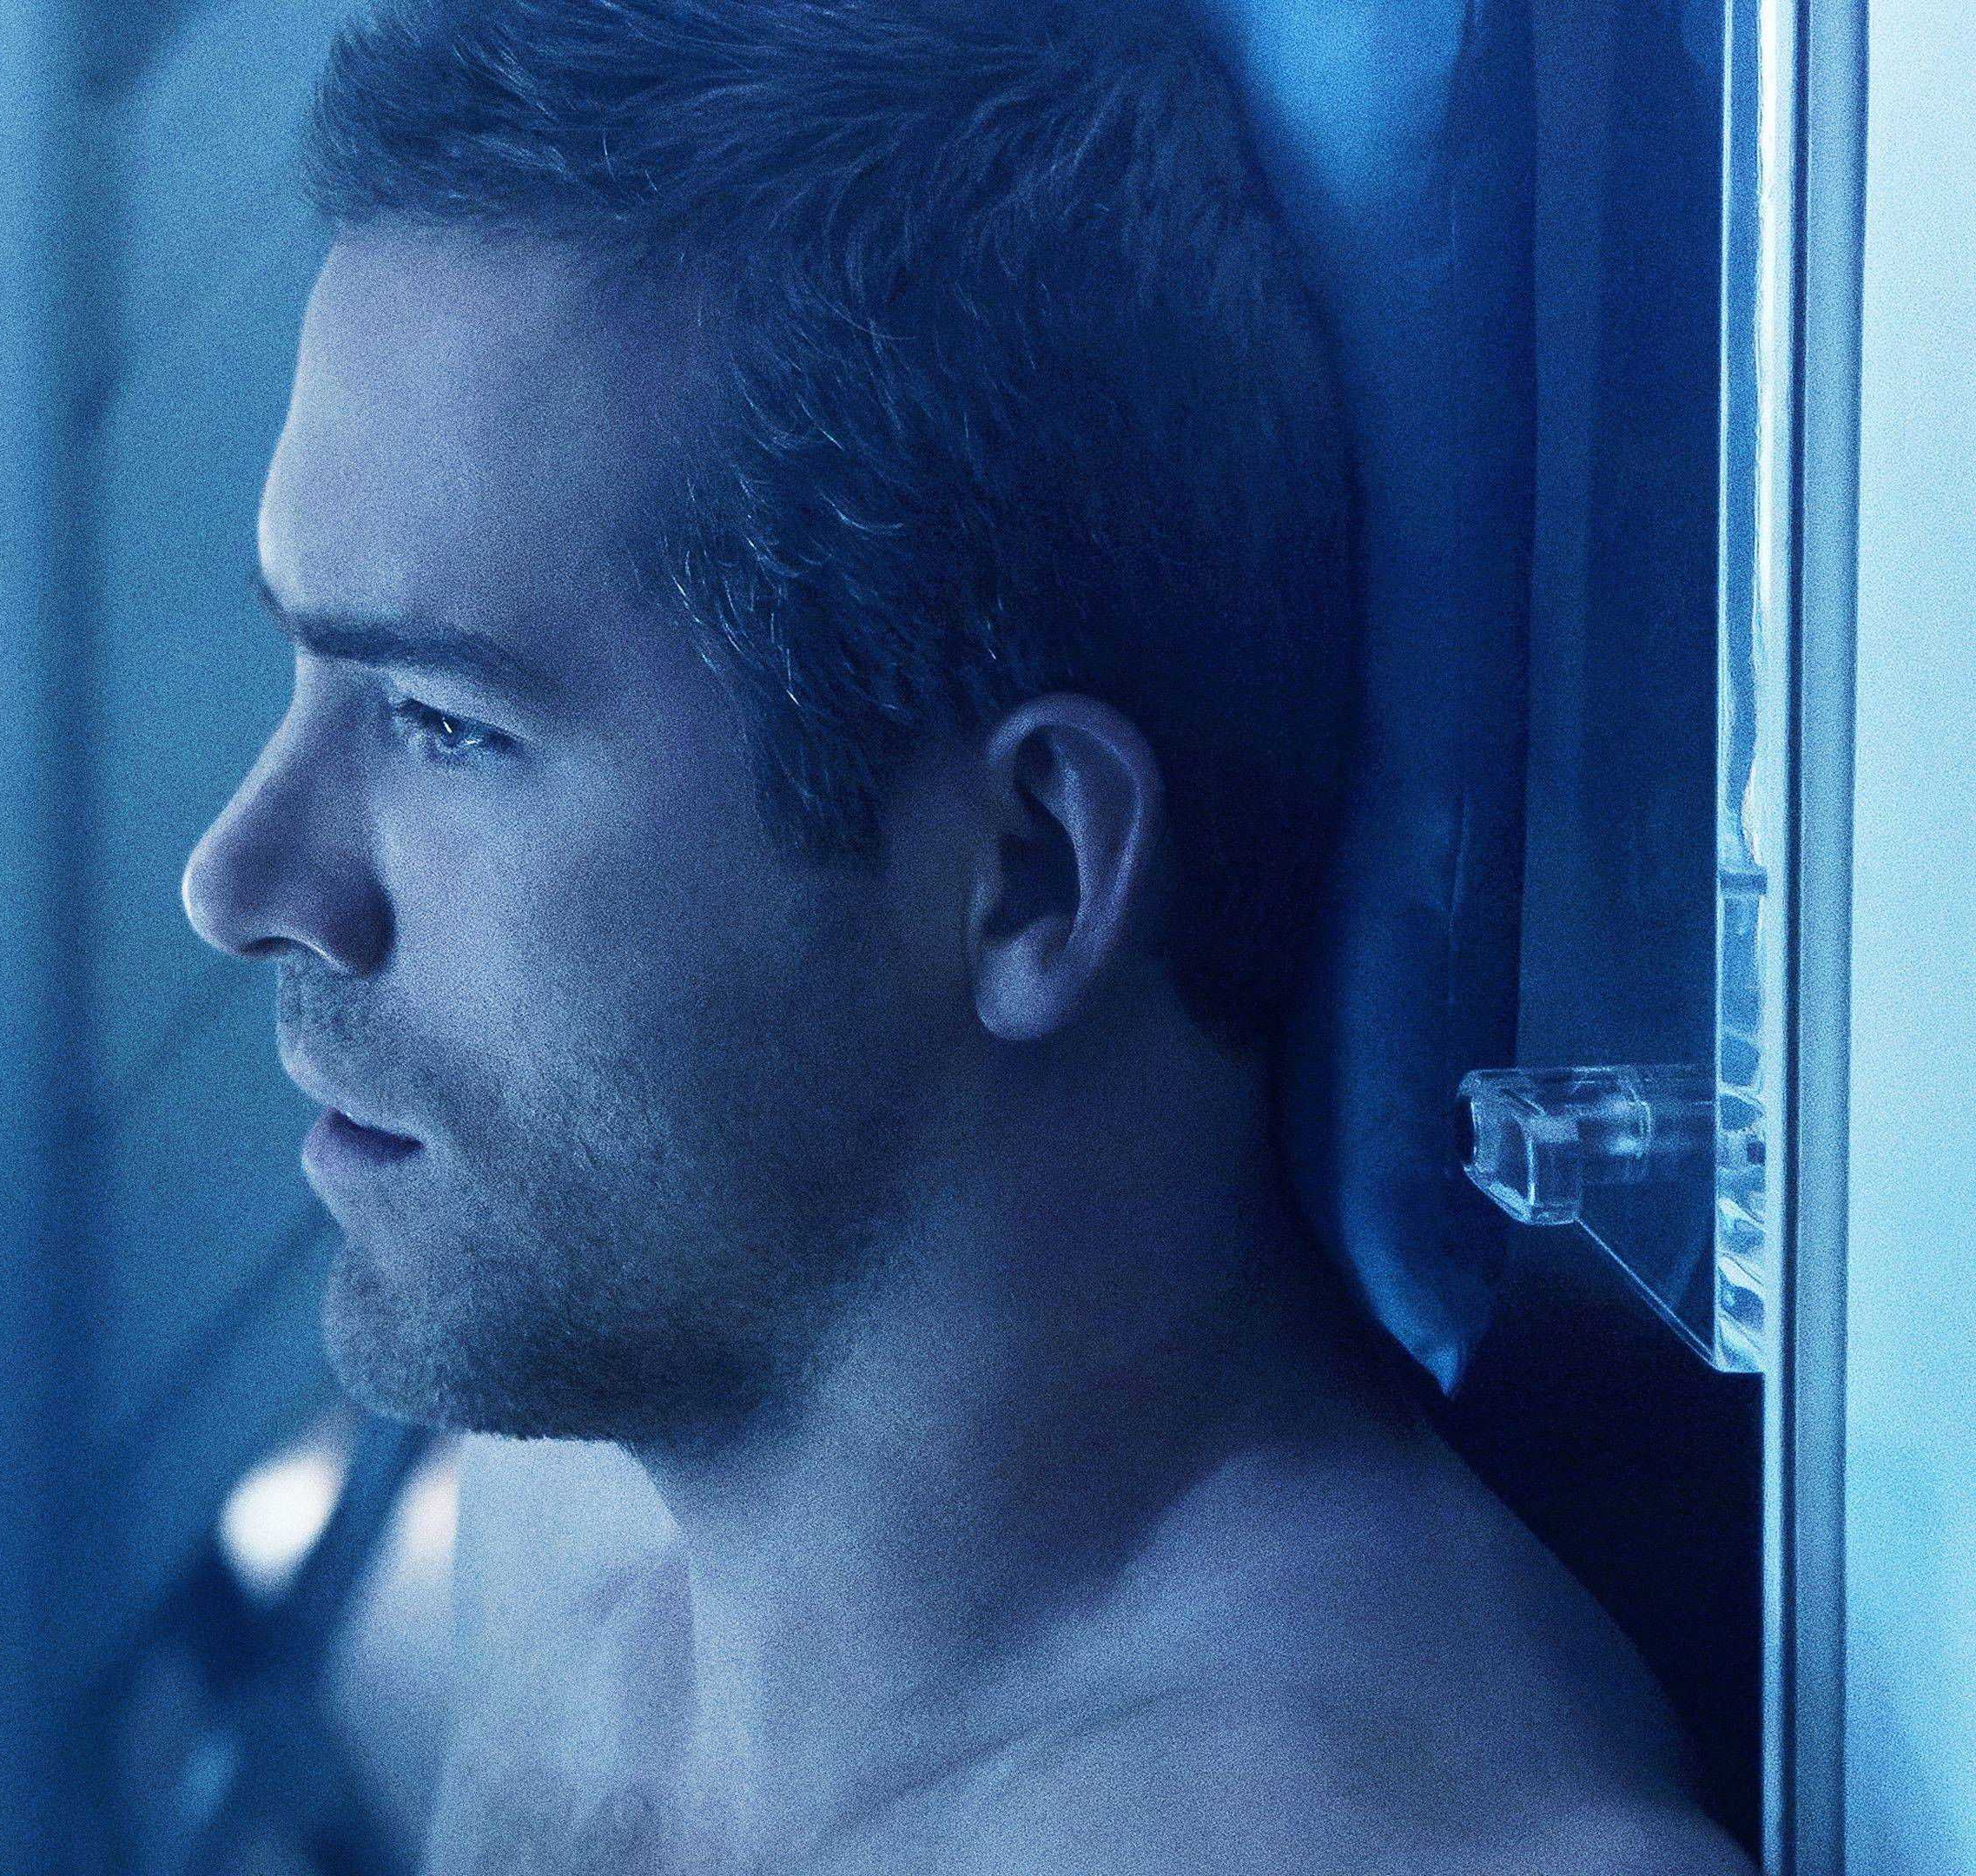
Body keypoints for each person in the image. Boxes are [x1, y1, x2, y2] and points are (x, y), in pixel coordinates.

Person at [177, 0, 1755, 1868]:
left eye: (444, 724)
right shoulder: (583, 1492)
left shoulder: (1418, 1842)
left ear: (1027, 871)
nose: (240, 880)